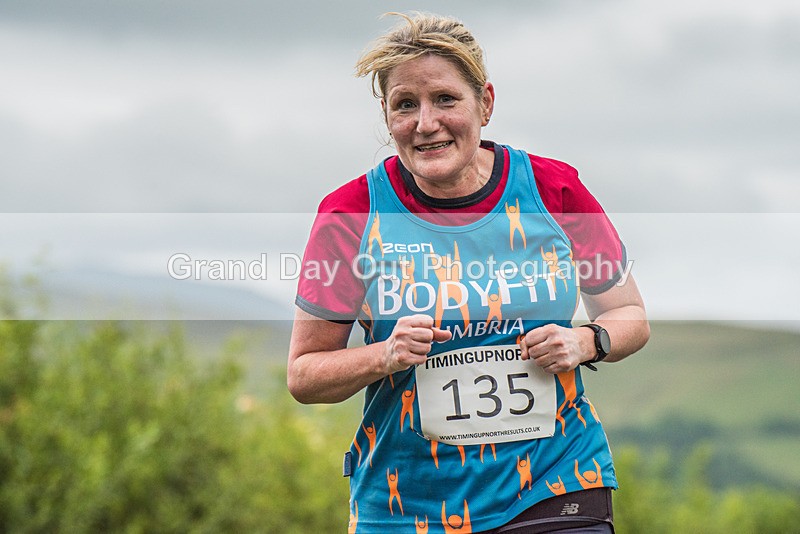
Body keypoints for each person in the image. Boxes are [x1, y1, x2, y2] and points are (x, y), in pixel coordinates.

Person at [288, 12, 649, 533]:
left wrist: (586, 341)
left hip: (555, 482)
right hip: (406, 504)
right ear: (387, 117)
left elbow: (630, 315)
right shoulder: (352, 214)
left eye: (446, 100)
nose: (425, 122)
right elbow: (305, 376)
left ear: (486, 102)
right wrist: (384, 354)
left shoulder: (554, 191)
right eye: (404, 105)